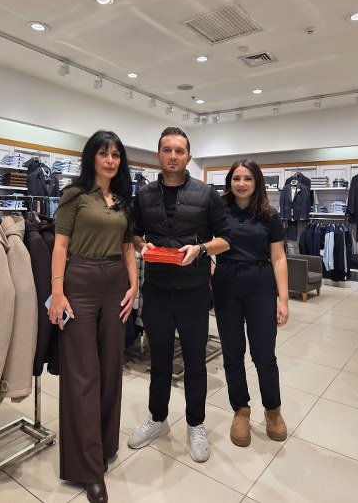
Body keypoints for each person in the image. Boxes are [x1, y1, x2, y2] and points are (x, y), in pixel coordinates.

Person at [128, 127, 232, 463]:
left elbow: (226, 239)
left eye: (179, 151)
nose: (173, 156)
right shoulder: (143, 195)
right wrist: (142, 247)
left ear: (188, 156)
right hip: (157, 290)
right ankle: (157, 418)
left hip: (193, 292)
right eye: (167, 150)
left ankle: (195, 424)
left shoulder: (206, 193)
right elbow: (134, 235)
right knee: (158, 360)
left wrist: (200, 249)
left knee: (195, 362)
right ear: (158, 154)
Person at [48, 130, 137, 503]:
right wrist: (57, 292)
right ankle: (87, 470)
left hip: (116, 283)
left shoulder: (123, 200)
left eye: (116, 154)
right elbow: (61, 245)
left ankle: (103, 445)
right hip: (80, 283)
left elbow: (128, 247)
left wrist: (134, 286)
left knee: (111, 368)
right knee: (83, 374)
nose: (110, 160)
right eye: (104, 153)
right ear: (91, 157)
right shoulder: (74, 195)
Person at [212, 158, 289, 448]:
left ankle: (273, 410)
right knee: (232, 352)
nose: (241, 184)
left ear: (257, 183)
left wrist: (283, 299)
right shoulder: (218, 211)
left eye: (247, 178)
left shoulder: (270, 215)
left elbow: (278, 258)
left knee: (264, 354)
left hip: (260, 286)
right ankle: (241, 409)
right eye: (236, 178)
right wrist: (210, 269)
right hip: (226, 285)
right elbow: (206, 244)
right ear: (229, 182)